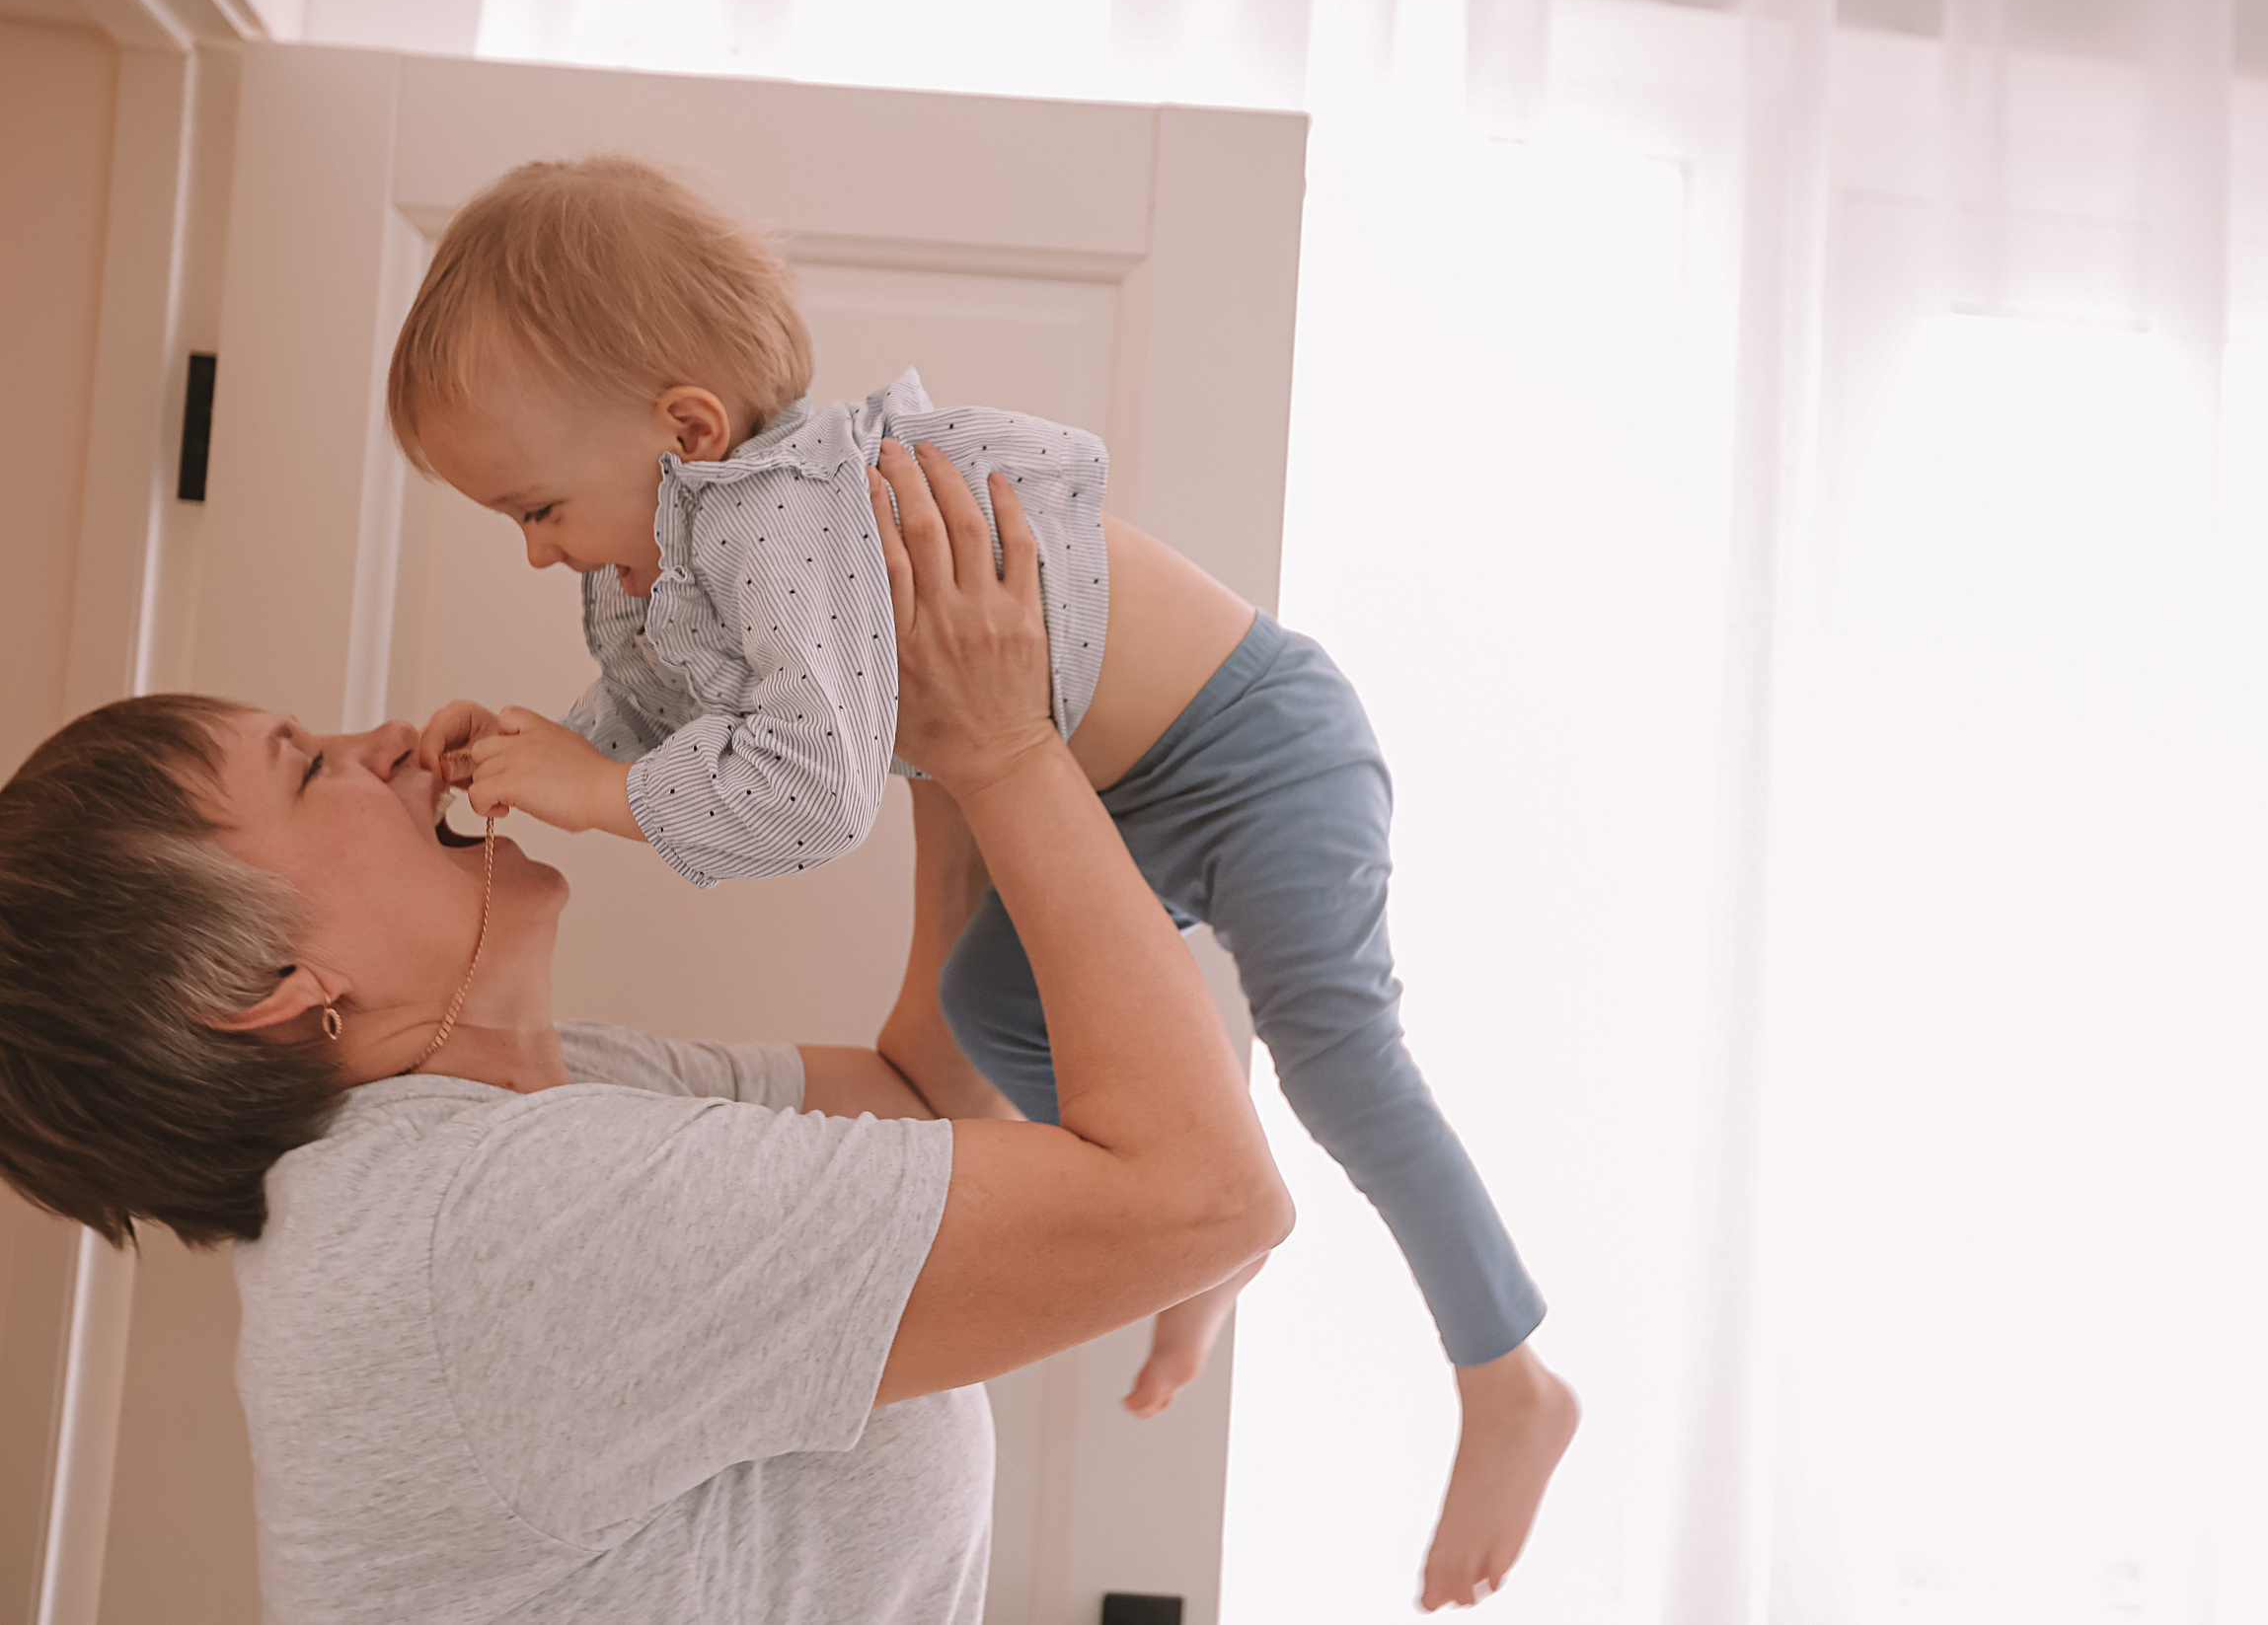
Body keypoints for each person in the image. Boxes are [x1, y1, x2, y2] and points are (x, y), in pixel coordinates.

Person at [388, 153, 1576, 1610]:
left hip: (1258, 749)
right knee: (996, 1011)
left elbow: (813, 792)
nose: (533, 552)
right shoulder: (661, 547)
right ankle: (1210, 1223)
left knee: (1343, 1057)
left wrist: (597, 797)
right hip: (1114, 792)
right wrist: (541, 752)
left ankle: (1508, 1376)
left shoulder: (780, 517)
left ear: (687, 428)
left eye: (536, 507)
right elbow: (660, 712)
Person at [0, 451, 1289, 1623]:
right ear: (269, 977)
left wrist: (921, 718)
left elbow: (916, 1094)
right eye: (306, 767)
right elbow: (1205, 1201)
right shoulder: (491, 1229)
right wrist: (1005, 747)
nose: (387, 740)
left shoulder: (506, 1127)